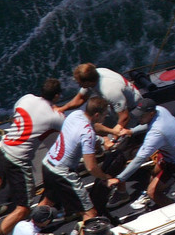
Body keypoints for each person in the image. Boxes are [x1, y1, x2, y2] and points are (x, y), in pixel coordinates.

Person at [0, 77, 65, 235]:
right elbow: (70, 130)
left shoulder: (26, 98)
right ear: (56, 96)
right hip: (18, 161)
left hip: (5, 149)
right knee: (23, 208)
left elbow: (16, 116)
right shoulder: (55, 116)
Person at [42, 95, 121, 223]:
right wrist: (106, 177)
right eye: (104, 115)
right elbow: (91, 167)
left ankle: (31, 230)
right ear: (96, 115)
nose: (105, 117)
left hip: (47, 165)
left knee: (48, 202)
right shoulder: (87, 134)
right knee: (90, 213)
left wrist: (104, 139)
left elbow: (91, 128)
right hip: (63, 173)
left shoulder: (76, 114)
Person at [116, 98, 175, 210]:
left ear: (151, 113)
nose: (139, 118)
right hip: (174, 151)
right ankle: (151, 196)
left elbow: (139, 159)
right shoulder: (160, 110)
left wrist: (120, 179)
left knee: (153, 192)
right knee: (154, 172)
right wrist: (131, 131)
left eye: (141, 115)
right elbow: (148, 123)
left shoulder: (156, 133)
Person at [60, 63, 140, 138]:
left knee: (124, 137)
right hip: (115, 105)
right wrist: (61, 109)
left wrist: (114, 138)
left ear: (88, 82)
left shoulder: (109, 90)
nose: (78, 85)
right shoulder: (95, 74)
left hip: (133, 109)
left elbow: (124, 117)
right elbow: (81, 98)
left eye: (79, 83)